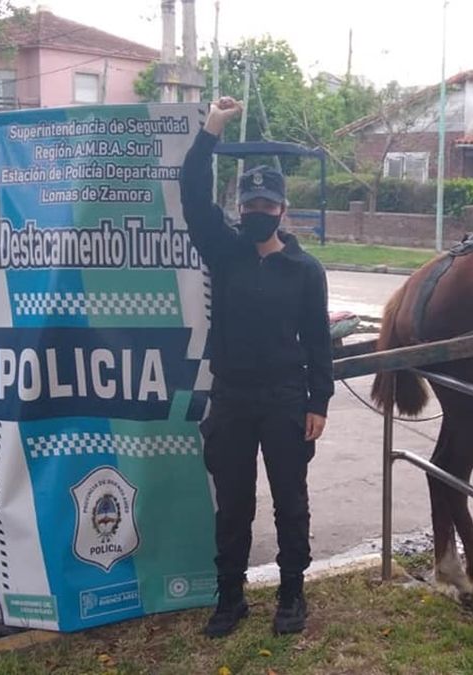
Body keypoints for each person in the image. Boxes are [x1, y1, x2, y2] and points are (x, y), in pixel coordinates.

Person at [179, 96, 334, 638]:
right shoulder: (224, 252)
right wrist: (211, 131)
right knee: (233, 506)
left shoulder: (305, 270)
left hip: (287, 399)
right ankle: (230, 598)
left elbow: (318, 342)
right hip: (232, 398)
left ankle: (292, 594)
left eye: (267, 205)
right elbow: (191, 194)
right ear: (239, 208)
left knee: (291, 502)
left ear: (282, 209)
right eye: (249, 205)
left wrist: (319, 402)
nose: (257, 212)